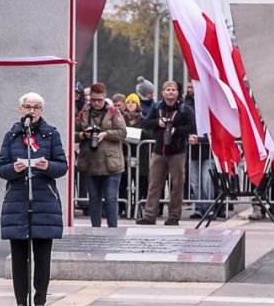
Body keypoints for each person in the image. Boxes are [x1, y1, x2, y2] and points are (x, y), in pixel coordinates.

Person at [0, 91, 68, 306]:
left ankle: (40, 302)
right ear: (21, 109)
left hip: (43, 201)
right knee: (19, 256)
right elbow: (1, 168)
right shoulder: (12, 135)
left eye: (36, 107)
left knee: (42, 256)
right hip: (18, 201)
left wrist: (47, 166)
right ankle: (20, 302)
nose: (32, 111)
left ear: (41, 111)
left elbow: (62, 166)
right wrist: (14, 170)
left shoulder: (51, 134)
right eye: (28, 106)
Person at [136, 80, 195, 225]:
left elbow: (192, 126)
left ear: (177, 92)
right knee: (154, 184)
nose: (170, 92)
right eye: (167, 90)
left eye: (173, 90)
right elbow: (145, 123)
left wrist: (177, 130)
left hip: (177, 152)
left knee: (177, 185)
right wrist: (158, 122)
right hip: (159, 151)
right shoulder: (156, 107)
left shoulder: (184, 109)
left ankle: (174, 216)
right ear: (162, 93)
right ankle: (149, 215)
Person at [76, 82, 127, 228]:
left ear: (105, 97)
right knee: (94, 199)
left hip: (111, 164)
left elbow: (122, 133)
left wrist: (105, 134)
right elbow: (72, 133)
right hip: (90, 162)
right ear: (89, 98)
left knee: (111, 198)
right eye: (93, 100)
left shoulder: (113, 112)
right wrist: (83, 134)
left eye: (100, 100)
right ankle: (95, 230)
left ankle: (113, 230)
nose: (97, 103)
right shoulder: (83, 113)